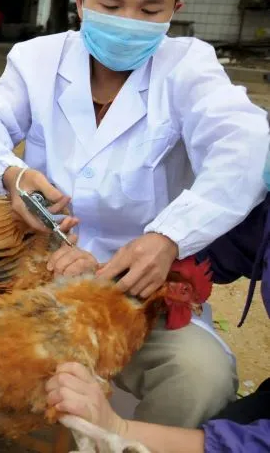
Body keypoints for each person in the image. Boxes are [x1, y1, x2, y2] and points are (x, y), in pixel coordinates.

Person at [0, 0, 270, 451]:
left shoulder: (190, 68)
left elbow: (246, 150)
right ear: (80, 1)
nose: (128, 22)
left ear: (175, 9)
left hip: (134, 288)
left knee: (201, 373)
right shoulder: (38, 59)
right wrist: (11, 175)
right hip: (37, 267)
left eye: (150, 10)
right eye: (111, 5)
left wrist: (169, 236)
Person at [47, 187, 270, 452]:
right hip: (51, 258)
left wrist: (120, 430)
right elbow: (230, 245)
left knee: (202, 378)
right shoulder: (263, 216)